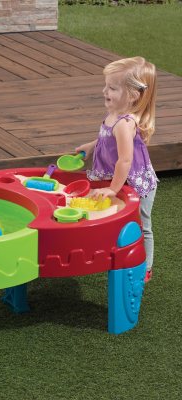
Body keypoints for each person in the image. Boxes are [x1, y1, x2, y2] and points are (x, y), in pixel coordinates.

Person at [76, 57, 158, 283]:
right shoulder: (113, 113)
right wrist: (91, 146)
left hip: (136, 182)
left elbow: (125, 160)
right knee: (120, 218)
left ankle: (146, 266)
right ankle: (119, 251)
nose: (105, 91)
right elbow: (105, 137)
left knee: (142, 224)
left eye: (112, 88)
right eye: (106, 85)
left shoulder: (125, 123)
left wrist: (113, 189)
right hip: (121, 179)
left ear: (132, 95)